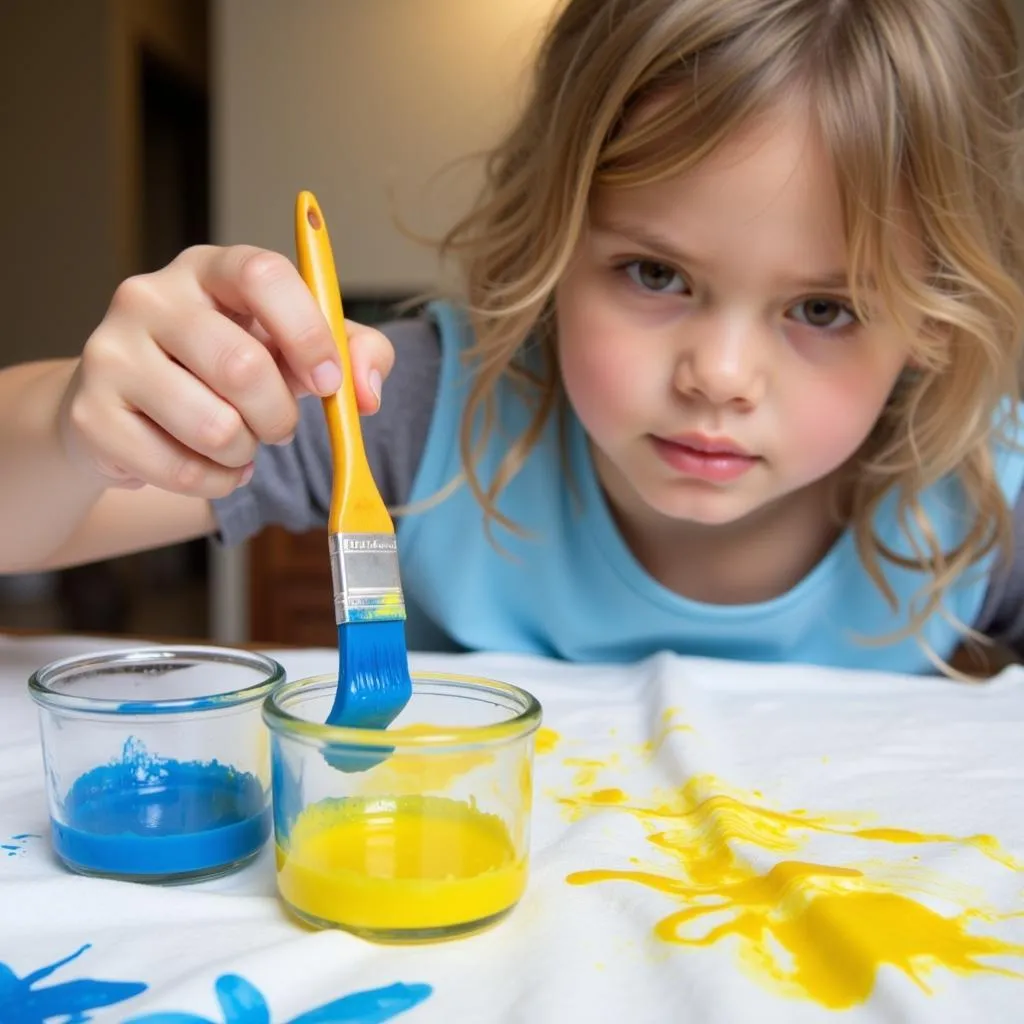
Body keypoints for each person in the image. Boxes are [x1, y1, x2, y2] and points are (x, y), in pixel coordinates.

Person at [1, 0, 1022, 674]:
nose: (719, 376)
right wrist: (71, 428)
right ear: (553, 236)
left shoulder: (986, 490)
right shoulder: (423, 403)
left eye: (823, 309)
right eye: (655, 274)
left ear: (935, 315)